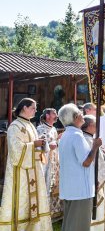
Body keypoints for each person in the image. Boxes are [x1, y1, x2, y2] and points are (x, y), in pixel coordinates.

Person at [0, 98, 52, 231]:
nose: (35, 110)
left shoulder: (30, 125)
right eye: (33, 108)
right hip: (21, 172)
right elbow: (15, 150)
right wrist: (34, 144)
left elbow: (36, 147)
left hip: (34, 170)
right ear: (24, 108)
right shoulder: (15, 126)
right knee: (22, 203)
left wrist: (43, 143)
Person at [58, 103, 102, 231]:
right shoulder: (77, 136)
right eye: (79, 113)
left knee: (70, 223)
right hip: (80, 190)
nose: (82, 115)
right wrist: (95, 146)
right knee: (79, 225)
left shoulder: (66, 135)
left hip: (70, 188)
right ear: (75, 117)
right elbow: (86, 162)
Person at [81, 115, 105, 231]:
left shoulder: (85, 138)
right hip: (93, 179)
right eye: (95, 124)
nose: (97, 127)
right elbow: (95, 162)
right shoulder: (88, 140)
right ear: (90, 126)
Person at [37, 107, 63, 220]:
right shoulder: (40, 128)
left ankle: (55, 212)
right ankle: (44, 212)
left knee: (54, 185)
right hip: (45, 163)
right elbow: (39, 145)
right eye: (54, 113)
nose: (56, 115)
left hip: (54, 162)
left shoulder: (53, 129)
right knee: (46, 184)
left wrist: (58, 141)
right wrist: (50, 145)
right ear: (47, 116)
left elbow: (55, 144)